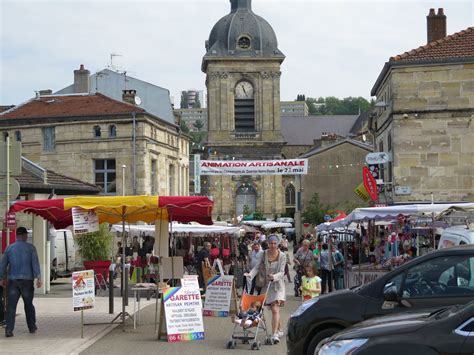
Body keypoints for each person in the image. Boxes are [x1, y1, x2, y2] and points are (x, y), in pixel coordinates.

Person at [0, 227, 42, 337]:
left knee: (11, 306)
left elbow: (3, 265)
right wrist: (38, 277)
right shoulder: (31, 248)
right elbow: (35, 263)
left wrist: (1, 278)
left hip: (13, 281)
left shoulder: (9, 248)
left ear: (17, 236)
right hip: (27, 281)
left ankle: (9, 330)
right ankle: (32, 326)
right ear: (24, 235)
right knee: (28, 304)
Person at [245, 235, 286, 344]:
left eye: (275, 243)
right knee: (271, 309)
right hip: (266, 284)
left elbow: (282, 272)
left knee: (275, 309)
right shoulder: (264, 253)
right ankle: (279, 329)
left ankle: (274, 335)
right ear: (267, 243)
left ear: (278, 244)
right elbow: (257, 267)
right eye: (271, 243)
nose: (272, 245)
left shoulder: (282, 256)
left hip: (277, 285)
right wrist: (250, 275)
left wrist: (274, 276)